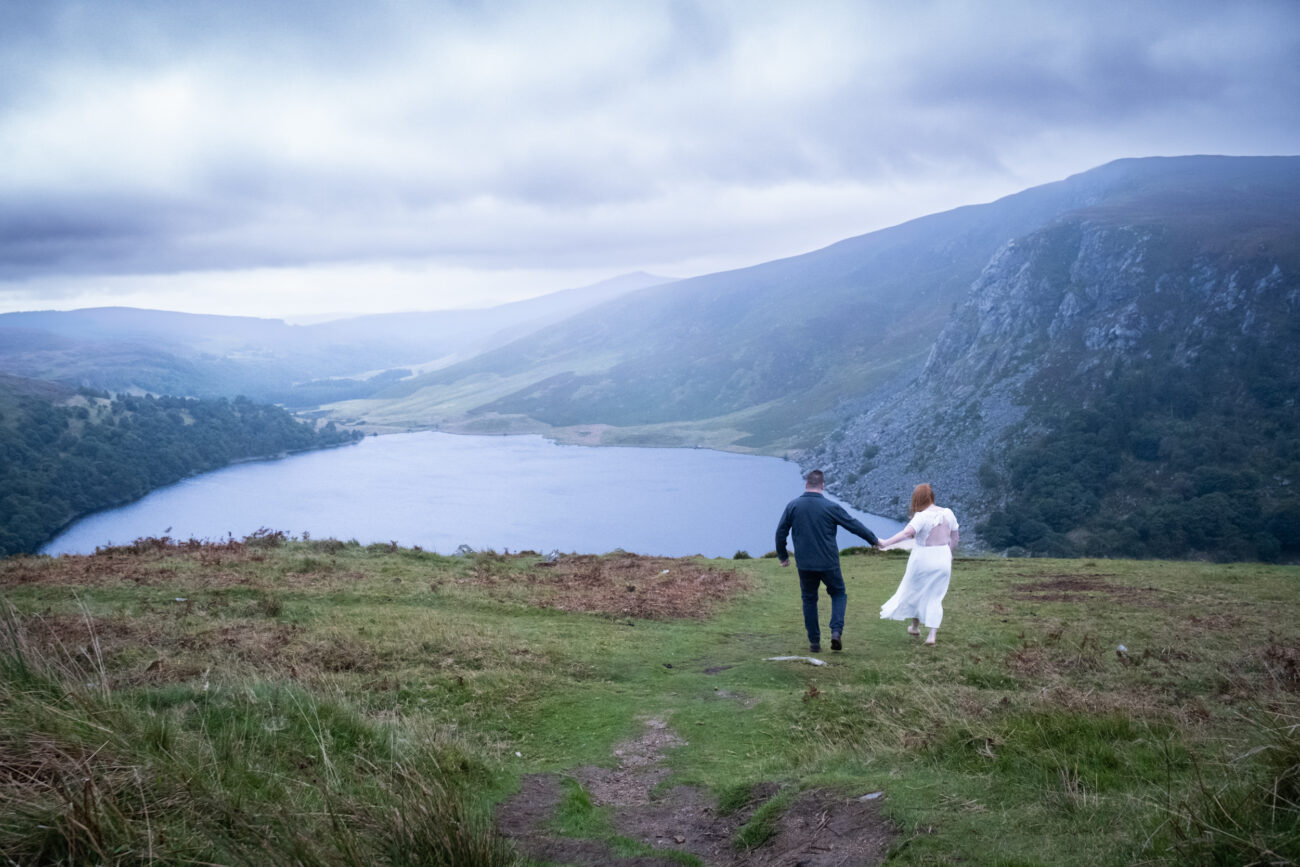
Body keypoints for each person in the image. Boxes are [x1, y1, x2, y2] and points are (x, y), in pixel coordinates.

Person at [775, 469, 880, 653]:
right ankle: (836, 632)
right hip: (828, 563)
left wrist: (783, 557)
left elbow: (780, 533)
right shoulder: (831, 507)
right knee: (838, 594)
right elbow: (853, 525)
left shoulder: (793, 506)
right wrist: (874, 540)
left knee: (809, 599)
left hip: (805, 564)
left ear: (806, 485)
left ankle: (814, 642)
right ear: (823, 486)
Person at [878, 483, 959, 646]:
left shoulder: (921, 516)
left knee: (916, 591)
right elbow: (955, 537)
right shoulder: (948, 513)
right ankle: (931, 635)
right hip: (943, 557)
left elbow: (907, 533)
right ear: (932, 497)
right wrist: (949, 554)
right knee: (936, 596)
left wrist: (886, 543)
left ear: (917, 499)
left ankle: (915, 627)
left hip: (923, 558)